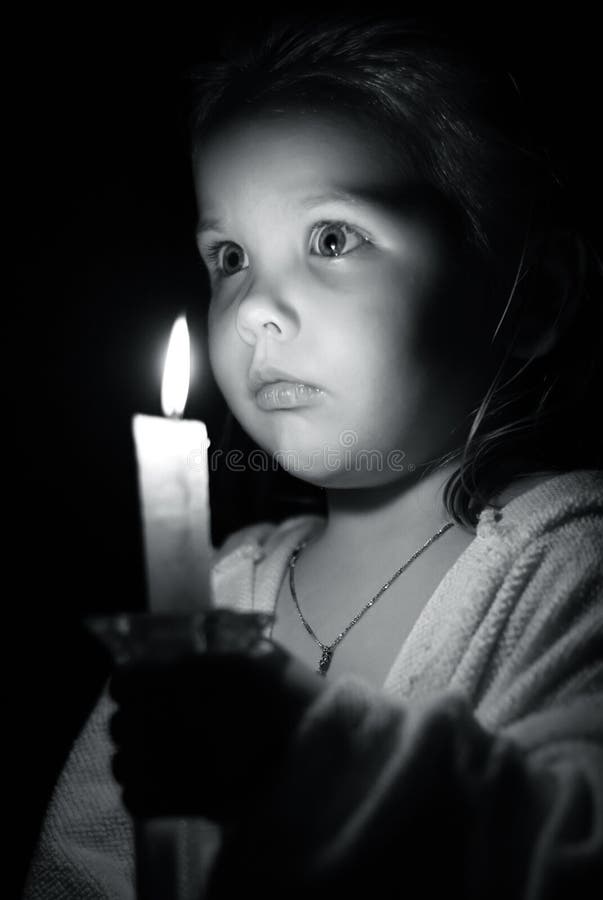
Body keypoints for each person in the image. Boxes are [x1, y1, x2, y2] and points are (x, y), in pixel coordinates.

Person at [23, 13, 603, 900]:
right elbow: (80, 871)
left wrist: (298, 756)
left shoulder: (567, 563)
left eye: (332, 238)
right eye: (229, 257)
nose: (254, 309)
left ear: (532, 297)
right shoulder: (215, 594)